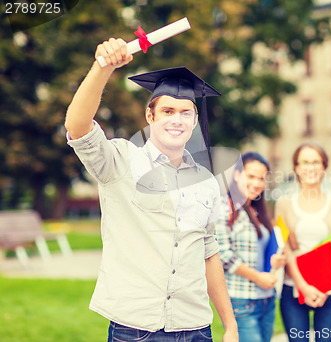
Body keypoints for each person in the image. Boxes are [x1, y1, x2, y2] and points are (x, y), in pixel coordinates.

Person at [64, 38, 238, 341]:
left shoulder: (207, 182)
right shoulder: (119, 162)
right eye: (168, 111)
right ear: (150, 116)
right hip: (135, 331)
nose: (177, 120)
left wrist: (230, 324)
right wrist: (103, 67)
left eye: (186, 113)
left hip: (196, 329)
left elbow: (208, 253)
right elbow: (78, 126)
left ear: (195, 120)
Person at [274, 142, 331, 342]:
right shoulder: (283, 204)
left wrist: (322, 287)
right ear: (296, 167)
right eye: (305, 162)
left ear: (324, 166)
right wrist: (303, 286)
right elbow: (284, 246)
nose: (310, 167)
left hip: (330, 290)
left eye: (316, 162)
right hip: (293, 288)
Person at [215, 152, 286, 342]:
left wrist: (276, 260)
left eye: (261, 178)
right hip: (241, 301)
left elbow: (260, 254)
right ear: (237, 174)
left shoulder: (257, 210)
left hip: (267, 300)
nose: (257, 183)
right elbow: (223, 254)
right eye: (251, 176)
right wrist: (257, 278)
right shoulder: (223, 207)